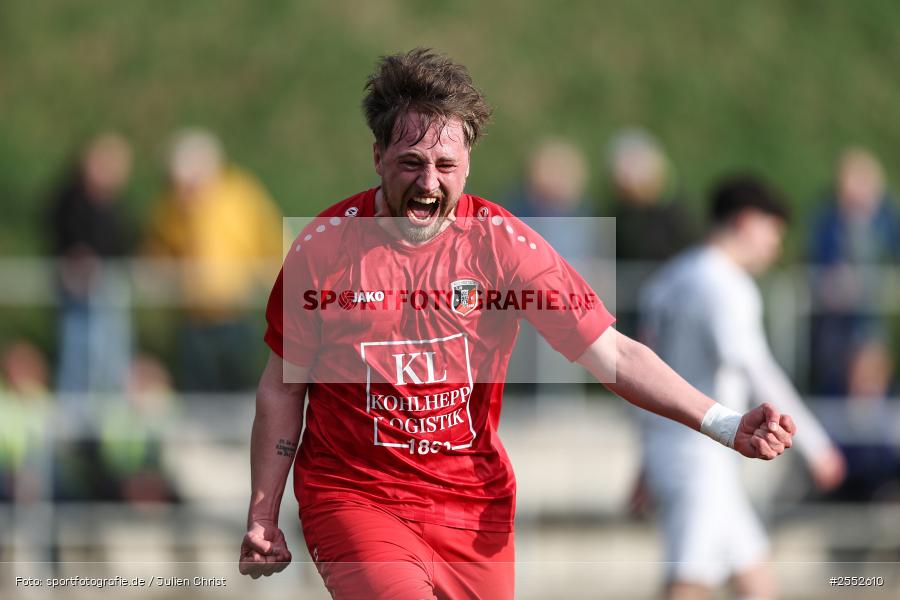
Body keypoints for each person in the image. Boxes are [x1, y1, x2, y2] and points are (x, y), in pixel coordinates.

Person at [238, 49, 797, 599]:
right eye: (411, 162)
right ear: (378, 155)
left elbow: (613, 354)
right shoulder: (324, 251)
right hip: (356, 498)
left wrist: (725, 423)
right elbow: (283, 387)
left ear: (468, 163)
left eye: (445, 166)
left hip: (472, 509)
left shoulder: (502, 246)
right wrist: (263, 514)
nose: (429, 183)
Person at [637, 176, 846, 600]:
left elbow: (643, 378)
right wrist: (817, 447)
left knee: (756, 578)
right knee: (688, 582)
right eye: (773, 233)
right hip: (699, 458)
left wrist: (646, 460)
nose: (775, 247)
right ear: (748, 222)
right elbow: (755, 367)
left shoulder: (667, 281)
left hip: (682, 452)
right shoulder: (724, 284)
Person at [144, 129, 283, 392]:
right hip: (191, 315)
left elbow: (271, 239)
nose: (183, 189)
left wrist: (276, 285)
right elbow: (158, 250)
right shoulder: (171, 206)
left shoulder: (241, 195)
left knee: (239, 384)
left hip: (236, 311)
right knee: (198, 389)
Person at [808, 148, 900, 395]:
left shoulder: (886, 218)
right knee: (839, 366)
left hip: (873, 310)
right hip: (838, 316)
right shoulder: (829, 219)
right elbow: (820, 256)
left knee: (872, 358)